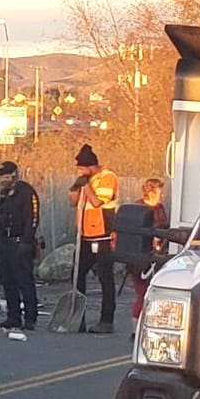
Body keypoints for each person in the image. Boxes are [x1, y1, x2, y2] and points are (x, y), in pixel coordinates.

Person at [69, 143, 119, 333]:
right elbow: (72, 202)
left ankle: (106, 320)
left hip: (103, 235)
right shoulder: (84, 180)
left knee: (105, 277)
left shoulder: (107, 177)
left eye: (82, 168)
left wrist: (86, 186)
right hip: (84, 235)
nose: (80, 172)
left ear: (91, 166)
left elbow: (98, 202)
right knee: (76, 275)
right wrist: (76, 187)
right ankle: (78, 317)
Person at [0, 161, 41, 331]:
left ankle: (30, 317)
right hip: (5, 242)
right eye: (0, 177)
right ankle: (13, 316)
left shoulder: (26, 192)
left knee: (24, 281)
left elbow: (32, 218)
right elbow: (3, 218)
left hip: (20, 242)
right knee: (8, 281)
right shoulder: (5, 195)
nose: (1, 180)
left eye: (4, 176)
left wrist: (27, 242)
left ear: (14, 175)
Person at [116, 178, 170, 326]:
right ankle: (136, 327)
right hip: (141, 258)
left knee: (156, 292)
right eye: (160, 192)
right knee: (142, 293)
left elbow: (164, 227)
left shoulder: (160, 208)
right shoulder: (138, 209)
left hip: (158, 256)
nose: (162, 196)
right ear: (151, 193)